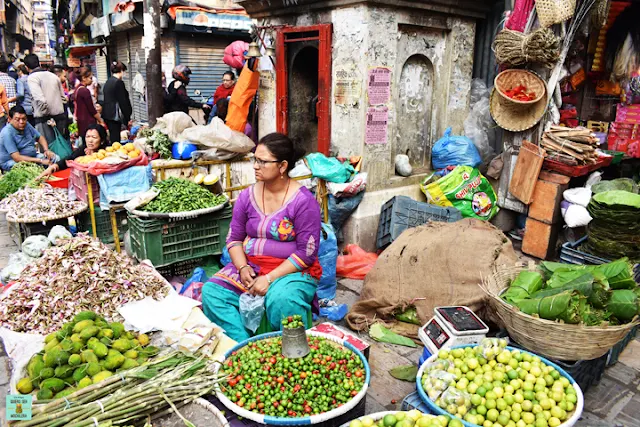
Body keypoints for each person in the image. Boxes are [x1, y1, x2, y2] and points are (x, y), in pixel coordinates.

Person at [201, 133, 321, 342]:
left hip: (290, 271)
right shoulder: (246, 196)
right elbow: (234, 239)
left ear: (282, 166)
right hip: (252, 267)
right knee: (212, 292)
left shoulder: (303, 201)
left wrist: (269, 278)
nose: (256, 166)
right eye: (255, 159)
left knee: (282, 299)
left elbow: (306, 254)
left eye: (263, 161)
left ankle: (292, 350)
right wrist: (243, 268)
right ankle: (243, 347)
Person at [24, 54, 68, 144]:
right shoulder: (53, 76)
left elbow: (40, 99)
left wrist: (47, 115)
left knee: (48, 150)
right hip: (59, 117)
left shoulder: (32, 78)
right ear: (39, 64)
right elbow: (63, 98)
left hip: (44, 119)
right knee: (60, 146)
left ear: (26, 67)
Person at [37, 123, 106, 179]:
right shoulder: (84, 149)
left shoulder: (108, 151)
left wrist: (93, 156)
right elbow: (70, 158)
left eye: (94, 137)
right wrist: (53, 167)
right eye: (87, 137)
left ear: (102, 141)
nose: (90, 140)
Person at [0, 106, 59, 171]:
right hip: (13, 162)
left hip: (32, 157)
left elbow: (40, 137)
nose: (21, 122)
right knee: (26, 169)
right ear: (9, 119)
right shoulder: (6, 133)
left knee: (55, 159)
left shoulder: (26, 125)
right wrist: (40, 160)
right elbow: (17, 158)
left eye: (24, 119)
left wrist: (46, 150)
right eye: (17, 119)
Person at [102, 61, 132, 144]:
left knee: (113, 137)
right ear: (122, 71)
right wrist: (127, 117)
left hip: (107, 114)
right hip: (114, 115)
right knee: (116, 140)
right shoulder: (118, 83)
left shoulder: (108, 81)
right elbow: (123, 101)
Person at [73, 67, 104, 141]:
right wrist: (100, 120)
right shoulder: (84, 91)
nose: (92, 80)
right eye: (90, 78)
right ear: (84, 78)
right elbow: (92, 110)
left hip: (81, 121)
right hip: (87, 121)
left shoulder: (78, 88)